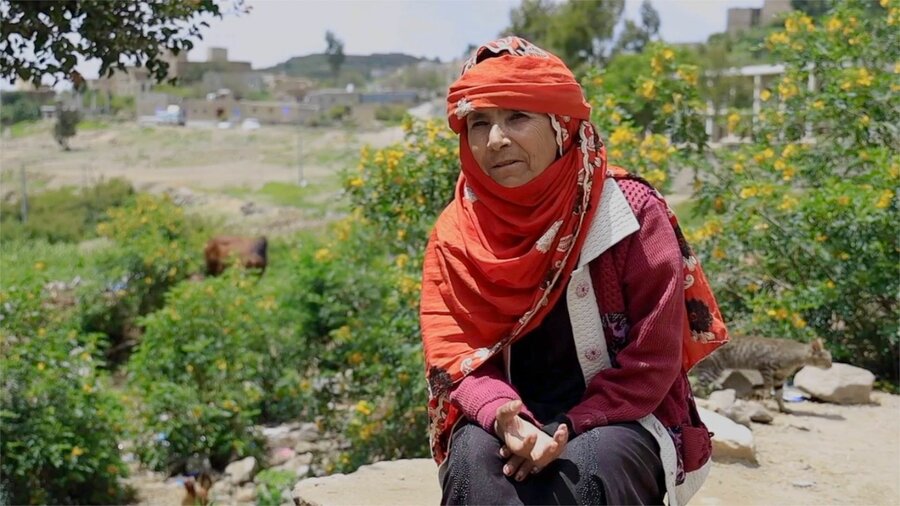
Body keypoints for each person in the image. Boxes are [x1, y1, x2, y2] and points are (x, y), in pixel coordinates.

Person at [419, 37, 729, 506]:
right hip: (507, 413)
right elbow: (456, 355)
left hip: (621, 414)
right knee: (472, 467)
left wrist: (569, 425)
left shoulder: (631, 214)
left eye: (517, 116)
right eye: (479, 123)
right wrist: (503, 414)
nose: (496, 140)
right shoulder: (456, 232)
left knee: (590, 470)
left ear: (561, 124)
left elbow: (652, 362)